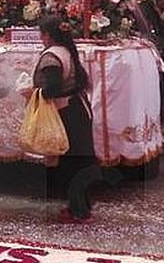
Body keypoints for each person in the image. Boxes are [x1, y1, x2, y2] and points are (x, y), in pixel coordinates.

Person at [31, 16, 120, 223]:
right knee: (82, 161)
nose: (41, 38)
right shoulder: (67, 50)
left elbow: (51, 88)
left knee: (73, 165)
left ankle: (79, 211)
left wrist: (33, 94)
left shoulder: (51, 56)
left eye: (42, 34)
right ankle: (80, 207)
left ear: (48, 35)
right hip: (78, 109)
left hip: (68, 113)